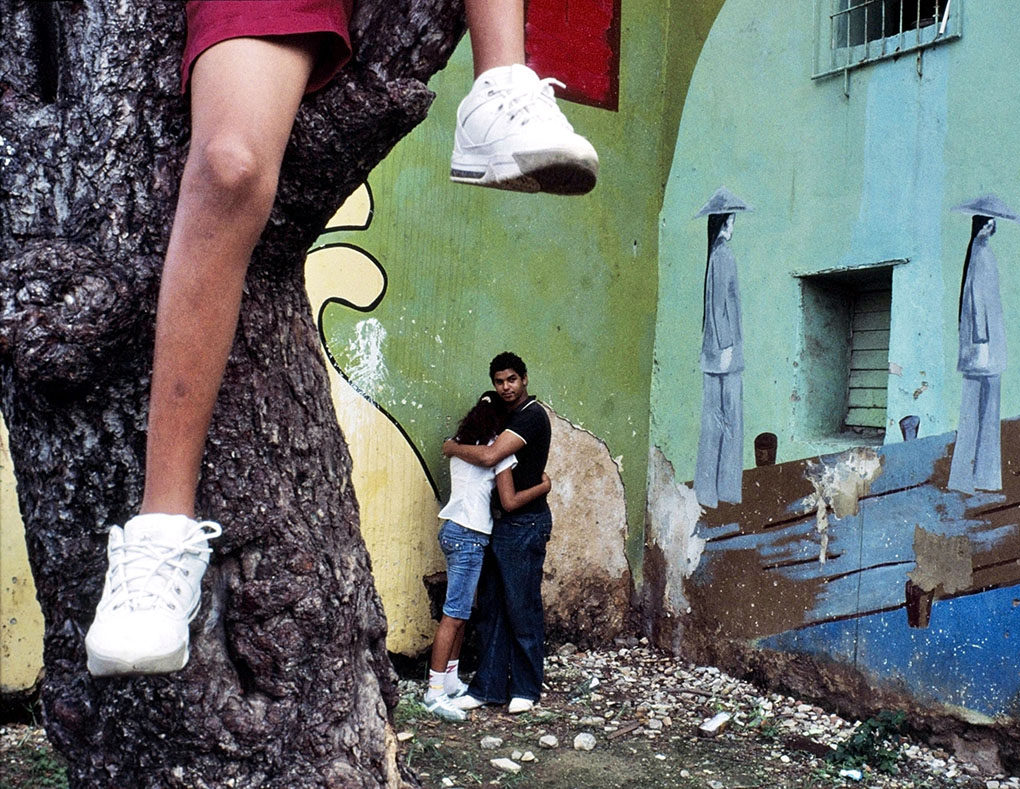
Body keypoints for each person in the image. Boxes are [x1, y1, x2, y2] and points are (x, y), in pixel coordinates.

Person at [85, 1, 596, 677]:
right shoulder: (510, 416)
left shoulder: (522, 416)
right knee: (231, 165)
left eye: (509, 379)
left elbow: (490, 459)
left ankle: (499, 78)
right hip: (481, 529)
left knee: (500, 612)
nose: (505, 386)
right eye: (501, 380)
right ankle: (161, 528)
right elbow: (489, 458)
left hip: (500, 530)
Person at [424, 391, 550, 721]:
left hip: (453, 530)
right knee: (456, 613)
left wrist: (451, 446)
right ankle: (434, 692)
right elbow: (508, 501)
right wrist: (543, 487)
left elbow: (472, 458)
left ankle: (451, 682)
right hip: (470, 536)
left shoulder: (460, 448)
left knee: (465, 611)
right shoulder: (496, 453)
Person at [946, 195, 1020, 495]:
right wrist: (979, 337)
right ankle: (969, 478)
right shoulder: (980, 254)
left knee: (984, 412)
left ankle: (983, 477)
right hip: (983, 348)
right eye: (987, 222)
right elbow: (976, 303)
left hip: (986, 348)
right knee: (978, 411)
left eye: (993, 223)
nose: (991, 227)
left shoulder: (982, 254)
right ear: (981, 226)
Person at [693, 187, 751, 509]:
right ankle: (726, 490)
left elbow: (714, 308)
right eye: (732, 219)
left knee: (714, 421)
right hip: (725, 355)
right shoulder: (724, 255)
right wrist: (727, 346)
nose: (734, 224)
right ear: (725, 222)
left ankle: (708, 491)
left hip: (713, 354)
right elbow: (720, 307)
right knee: (730, 422)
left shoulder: (713, 256)